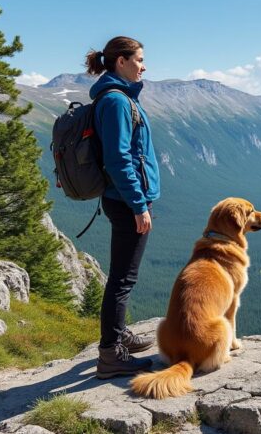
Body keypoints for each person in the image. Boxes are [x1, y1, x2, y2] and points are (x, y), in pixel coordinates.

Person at [84, 36, 161, 379]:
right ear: (121, 61)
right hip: (127, 201)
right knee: (122, 279)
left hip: (123, 199)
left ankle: (119, 336)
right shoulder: (116, 101)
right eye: (139, 59)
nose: (144, 66)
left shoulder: (117, 96)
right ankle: (111, 354)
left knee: (122, 276)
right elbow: (118, 160)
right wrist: (139, 205)